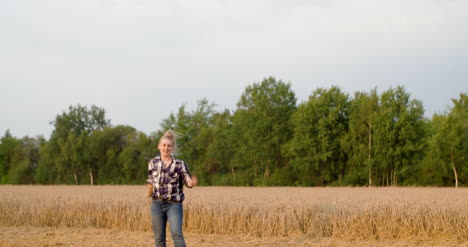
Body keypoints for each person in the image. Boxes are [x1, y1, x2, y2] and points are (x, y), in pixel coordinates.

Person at [146, 130, 198, 247]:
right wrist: (147, 196)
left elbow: (187, 181)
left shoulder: (180, 164)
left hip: (174, 204)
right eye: (164, 145)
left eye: (169, 146)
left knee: (177, 234)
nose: (166, 148)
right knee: (159, 239)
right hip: (157, 204)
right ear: (159, 146)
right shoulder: (153, 163)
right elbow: (150, 181)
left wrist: (192, 182)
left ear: (173, 148)